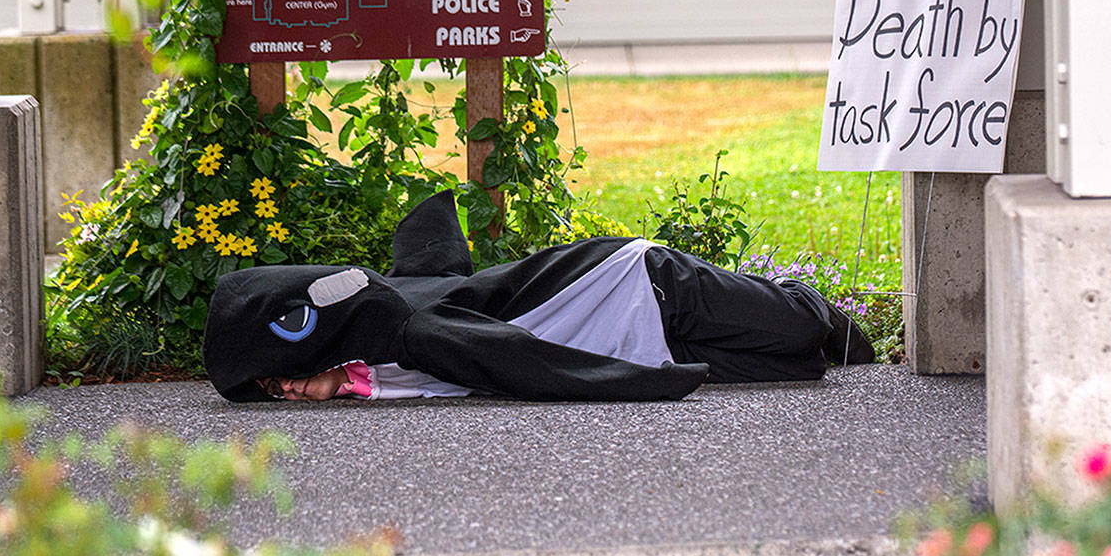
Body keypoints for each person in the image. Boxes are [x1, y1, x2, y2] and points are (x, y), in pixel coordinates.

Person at [204, 191, 874, 403]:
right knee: (794, 369)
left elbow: (523, 363)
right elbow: (430, 261)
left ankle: (816, 308)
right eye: (270, 388)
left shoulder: (401, 327)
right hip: (645, 342)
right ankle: (816, 344)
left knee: (800, 330)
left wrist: (643, 386)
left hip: (639, 286)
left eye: (282, 374)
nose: (285, 390)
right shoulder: (366, 359)